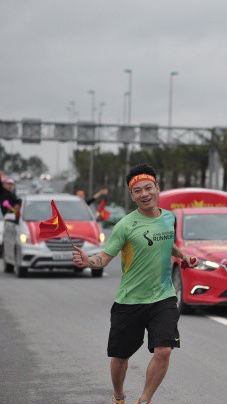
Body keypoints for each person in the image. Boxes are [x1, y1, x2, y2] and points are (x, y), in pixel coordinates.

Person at [72, 164, 197, 404]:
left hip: (163, 296)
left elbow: (166, 242)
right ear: (132, 196)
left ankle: (145, 400)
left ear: (157, 188)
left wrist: (184, 257)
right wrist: (88, 260)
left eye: (148, 188)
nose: (144, 193)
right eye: (138, 190)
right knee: (120, 357)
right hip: (130, 300)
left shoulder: (169, 217)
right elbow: (105, 257)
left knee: (164, 350)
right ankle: (119, 396)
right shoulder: (125, 225)